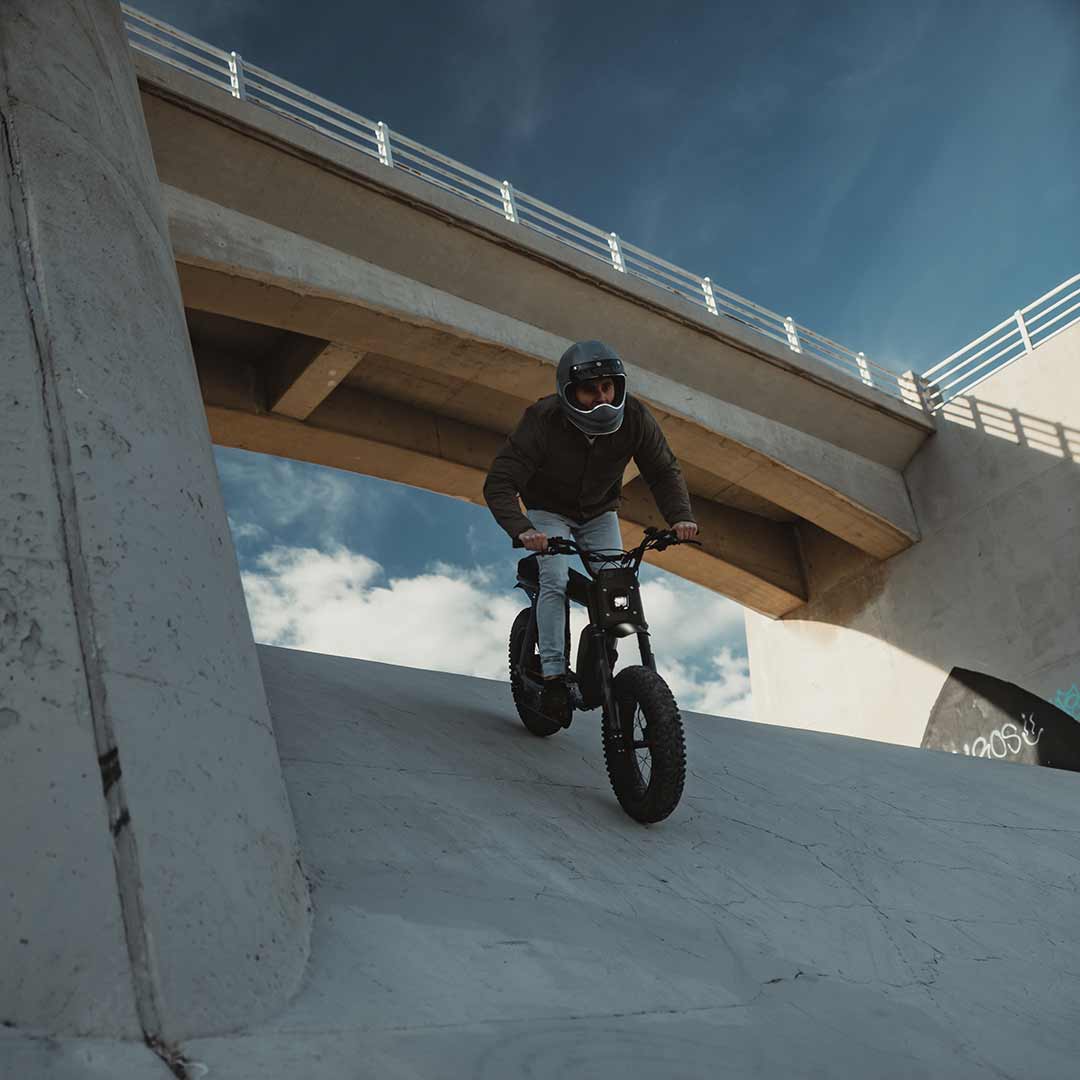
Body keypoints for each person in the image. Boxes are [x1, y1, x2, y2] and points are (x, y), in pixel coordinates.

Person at [483, 340, 698, 725]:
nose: (602, 397)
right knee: (554, 577)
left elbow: (663, 470)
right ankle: (551, 677)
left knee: (617, 586)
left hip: (599, 511)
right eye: (590, 389)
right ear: (570, 391)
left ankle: (597, 674)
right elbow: (500, 481)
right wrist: (524, 529)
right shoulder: (543, 418)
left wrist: (680, 516)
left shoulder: (634, 416)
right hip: (547, 510)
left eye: (608, 387)